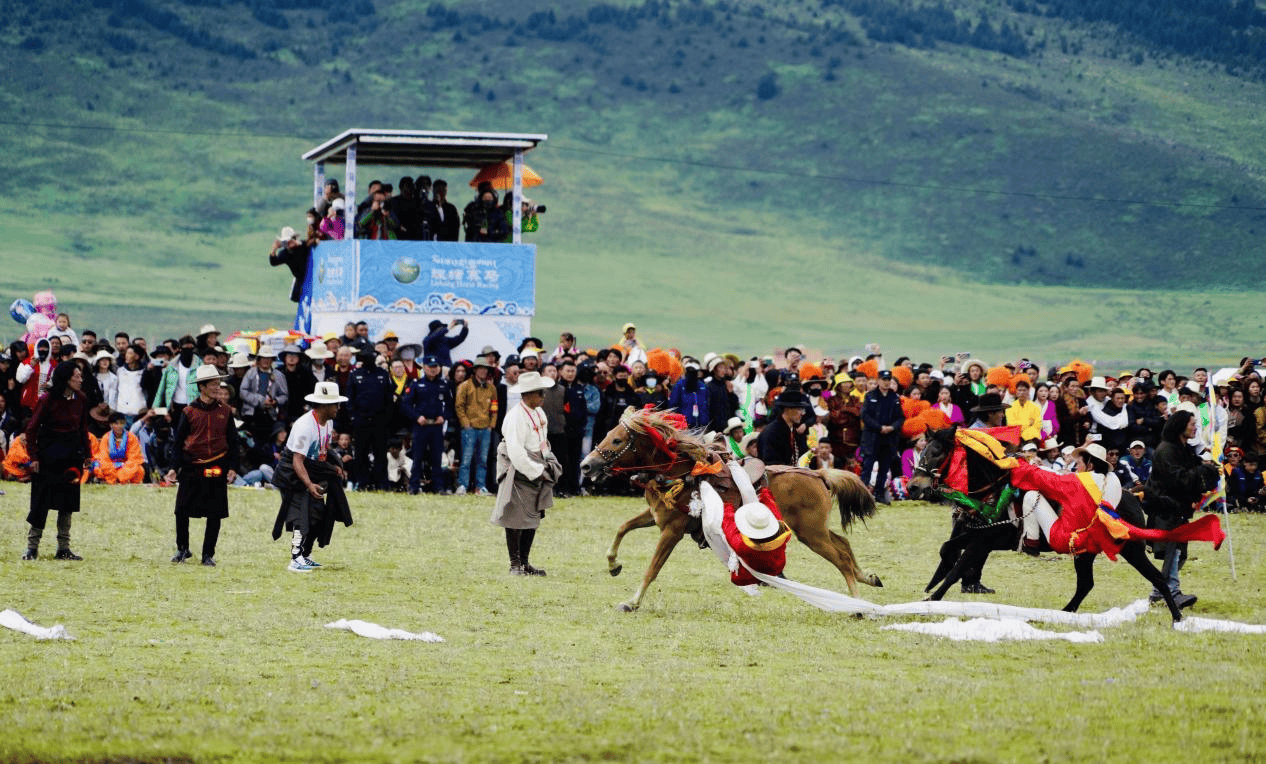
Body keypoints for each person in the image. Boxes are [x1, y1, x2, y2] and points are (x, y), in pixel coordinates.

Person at [271, 382, 353, 572]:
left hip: (311, 468)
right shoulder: (304, 426)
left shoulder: (328, 422)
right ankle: (295, 559)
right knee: (301, 513)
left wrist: (334, 466)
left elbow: (323, 450)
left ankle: (305, 555)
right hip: (292, 473)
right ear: (324, 406)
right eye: (335, 404)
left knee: (318, 514)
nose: (338, 408)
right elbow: (297, 461)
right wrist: (309, 484)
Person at [164, 366, 239, 565]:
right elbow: (178, 443)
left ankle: (208, 554)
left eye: (218, 383)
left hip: (217, 465)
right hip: (192, 466)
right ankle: (182, 549)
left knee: (215, 512)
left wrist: (232, 466)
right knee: (181, 509)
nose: (217, 387)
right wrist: (174, 467)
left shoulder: (225, 411)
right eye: (213, 384)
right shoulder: (188, 412)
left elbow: (233, 441)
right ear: (202, 387)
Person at [1145, 410, 1220, 608]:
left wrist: (1207, 472)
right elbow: (1178, 480)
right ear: (1180, 426)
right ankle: (1173, 592)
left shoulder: (1183, 448)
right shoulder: (1165, 450)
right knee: (1174, 550)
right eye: (1192, 424)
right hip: (1165, 507)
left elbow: (1192, 475)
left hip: (1179, 508)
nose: (1195, 428)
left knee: (1180, 552)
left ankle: (1157, 592)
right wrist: (1201, 473)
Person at [491, 371, 562, 576]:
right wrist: (536, 471)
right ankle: (515, 565)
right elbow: (516, 452)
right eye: (540, 392)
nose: (544, 396)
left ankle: (525, 562)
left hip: (536, 463)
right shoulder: (515, 417)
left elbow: (542, 440)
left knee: (532, 516)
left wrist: (548, 460)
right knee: (514, 516)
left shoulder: (539, 412)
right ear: (528, 394)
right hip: (518, 467)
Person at [21, 362, 92, 561]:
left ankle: (63, 548)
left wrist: (87, 454)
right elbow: (31, 430)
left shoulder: (82, 399)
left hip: (71, 458)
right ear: (66, 379)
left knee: (67, 503)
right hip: (48, 457)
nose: (80, 379)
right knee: (41, 502)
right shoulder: (47, 400)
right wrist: (33, 457)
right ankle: (32, 548)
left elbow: (83, 428)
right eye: (77, 376)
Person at [401, 355, 453, 495]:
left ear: (439, 368)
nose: (432, 369)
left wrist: (444, 416)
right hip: (421, 426)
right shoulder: (416, 384)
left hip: (436, 426)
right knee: (417, 458)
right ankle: (414, 487)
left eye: (435, 366)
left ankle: (438, 487)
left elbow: (450, 405)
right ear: (424, 367)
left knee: (437, 458)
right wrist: (416, 417)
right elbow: (406, 404)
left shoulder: (443, 384)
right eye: (430, 367)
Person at [346, 348, 394, 491]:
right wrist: (353, 417)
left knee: (380, 453)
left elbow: (389, 399)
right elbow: (350, 398)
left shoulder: (383, 374)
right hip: (361, 420)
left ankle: (381, 482)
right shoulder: (355, 375)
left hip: (379, 421)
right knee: (361, 453)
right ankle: (363, 482)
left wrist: (386, 418)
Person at [859, 369, 905, 504]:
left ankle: (879, 494)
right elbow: (865, 416)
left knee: (884, 468)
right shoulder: (870, 396)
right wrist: (880, 427)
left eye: (888, 380)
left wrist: (892, 427)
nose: (886, 382)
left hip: (888, 438)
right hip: (872, 437)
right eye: (883, 380)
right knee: (867, 467)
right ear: (878, 380)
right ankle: (861, 495)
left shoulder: (894, 397)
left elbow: (900, 417)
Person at [454, 356, 497, 496]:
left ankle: (480, 487)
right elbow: (459, 406)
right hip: (470, 428)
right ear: (475, 370)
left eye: (486, 369)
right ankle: (462, 485)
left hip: (485, 428)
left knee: (483, 459)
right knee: (466, 458)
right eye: (481, 369)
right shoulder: (465, 386)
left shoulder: (491, 388)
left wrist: (491, 424)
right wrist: (465, 423)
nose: (484, 371)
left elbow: (494, 408)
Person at [758, 389, 811, 466]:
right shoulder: (772, 432)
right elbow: (771, 464)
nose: (802, 413)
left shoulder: (796, 431)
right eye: (799, 409)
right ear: (787, 410)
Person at [95, 412, 144, 484]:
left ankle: (117, 480)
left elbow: (134, 458)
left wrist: (122, 473)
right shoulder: (106, 437)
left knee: (140, 470)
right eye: (116, 424)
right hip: (110, 467)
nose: (119, 426)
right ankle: (115, 479)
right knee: (98, 468)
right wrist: (112, 470)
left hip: (127, 467)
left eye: (121, 423)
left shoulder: (131, 437)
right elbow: (103, 458)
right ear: (111, 425)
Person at [268, 227, 311, 303]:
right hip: (300, 279)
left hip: (311, 276)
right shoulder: (285, 253)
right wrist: (274, 249)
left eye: (289, 241)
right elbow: (273, 262)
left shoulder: (304, 245)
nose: (288, 244)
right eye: (285, 242)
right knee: (298, 299)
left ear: (294, 239)